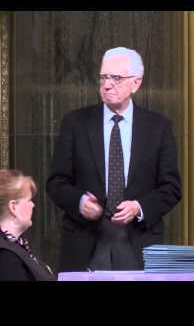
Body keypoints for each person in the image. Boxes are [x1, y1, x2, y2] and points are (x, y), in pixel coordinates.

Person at [46, 47, 182, 271]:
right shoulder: (75, 123)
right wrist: (80, 202)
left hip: (138, 242)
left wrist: (139, 207)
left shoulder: (158, 128)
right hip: (85, 242)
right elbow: (56, 182)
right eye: (103, 77)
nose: (107, 85)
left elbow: (171, 187)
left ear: (135, 83)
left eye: (116, 78)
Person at [0, 169, 55, 281]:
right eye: (29, 200)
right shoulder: (5, 256)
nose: (33, 205)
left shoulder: (19, 246)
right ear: (13, 207)